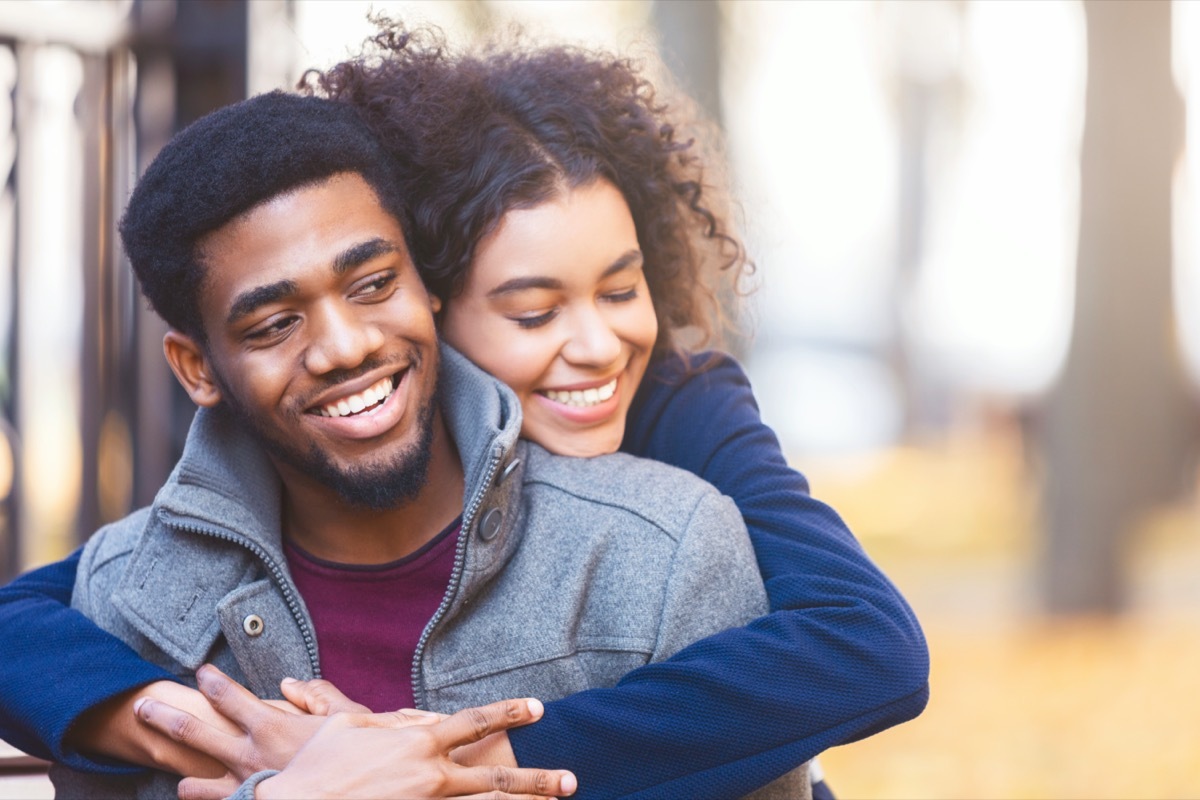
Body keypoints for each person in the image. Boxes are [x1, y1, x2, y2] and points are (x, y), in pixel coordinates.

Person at [0, 24, 929, 800]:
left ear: (410, 289)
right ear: (444, 300)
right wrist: (201, 735)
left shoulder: (679, 425)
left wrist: (462, 764)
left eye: (621, 289)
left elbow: (866, 645)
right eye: (531, 312)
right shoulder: (164, 567)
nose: (597, 346)